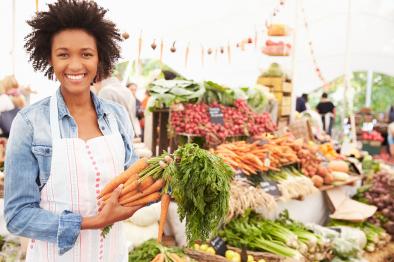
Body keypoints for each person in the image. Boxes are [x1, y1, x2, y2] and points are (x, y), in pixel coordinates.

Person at [4, 1, 148, 260]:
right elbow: (17, 216)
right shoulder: (29, 123)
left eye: (86, 54)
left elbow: (133, 183)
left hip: (112, 254)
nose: (75, 65)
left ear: (99, 57)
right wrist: (92, 221)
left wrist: (163, 179)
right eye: (63, 54)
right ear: (49, 58)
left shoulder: (116, 117)